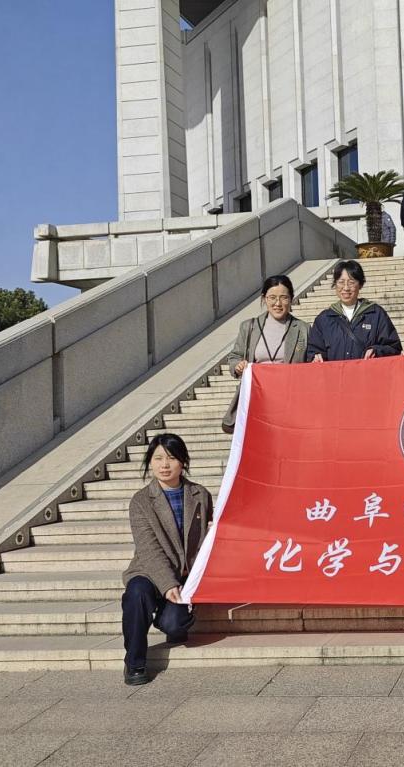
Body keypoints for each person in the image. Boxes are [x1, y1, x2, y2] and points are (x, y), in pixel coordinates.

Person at [121, 433, 212, 685]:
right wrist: (167, 583)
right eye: (158, 458)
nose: (164, 465)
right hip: (149, 571)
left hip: (184, 575)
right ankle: (134, 662)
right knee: (137, 594)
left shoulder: (200, 494)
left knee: (175, 624)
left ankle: (169, 617)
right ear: (150, 462)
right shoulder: (141, 501)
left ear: (183, 461)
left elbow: (206, 538)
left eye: (171, 458)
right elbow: (148, 548)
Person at [222, 275, 309, 433]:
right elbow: (235, 356)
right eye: (272, 298)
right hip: (257, 400)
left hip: (289, 400)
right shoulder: (249, 327)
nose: (278, 303)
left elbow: (309, 363)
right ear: (264, 299)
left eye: (284, 297)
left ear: (291, 299)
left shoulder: (303, 328)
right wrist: (238, 366)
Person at [306, 260, 402, 361]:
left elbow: (394, 348)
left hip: (367, 371)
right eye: (341, 282)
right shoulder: (324, 319)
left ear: (360, 284)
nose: (346, 288)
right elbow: (313, 351)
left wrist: (376, 351)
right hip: (336, 372)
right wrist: (315, 356)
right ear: (335, 284)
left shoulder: (376, 314)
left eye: (351, 282)